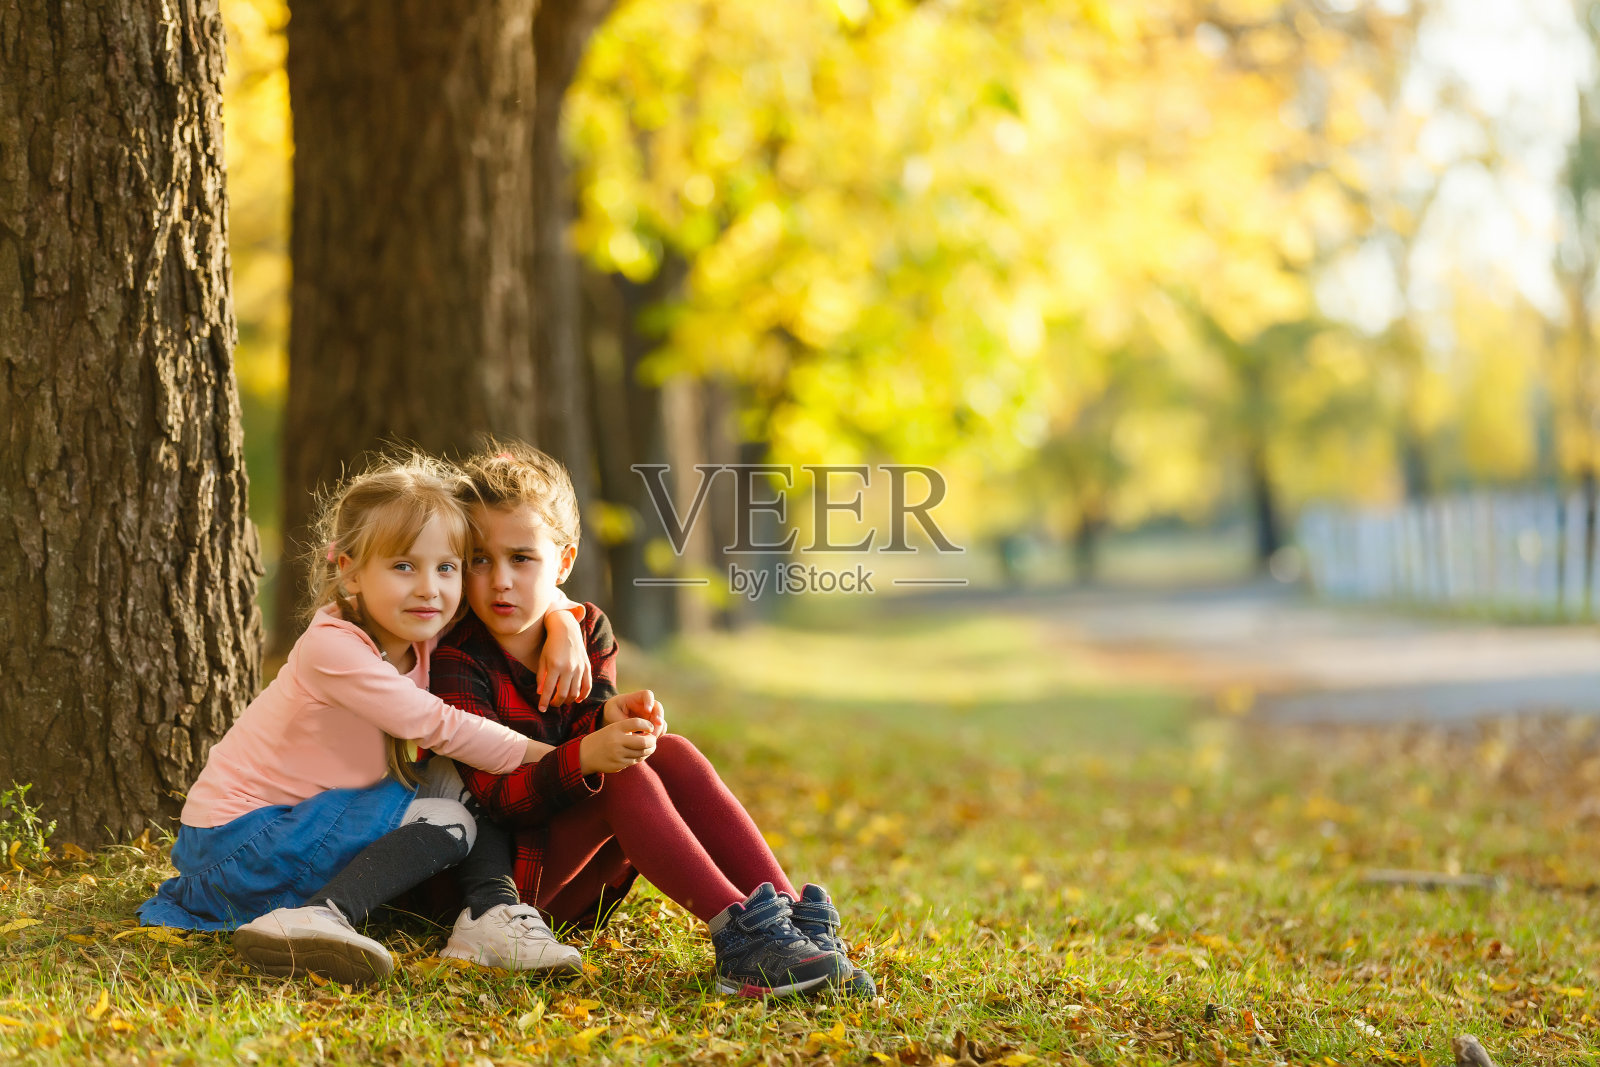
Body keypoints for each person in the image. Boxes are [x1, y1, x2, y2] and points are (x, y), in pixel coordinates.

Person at [430, 443, 877, 998]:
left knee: (673, 750)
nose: (499, 580)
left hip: (578, 874)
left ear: (564, 562)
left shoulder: (587, 629)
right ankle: (740, 942)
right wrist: (589, 754)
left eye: (521, 558)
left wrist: (610, 714)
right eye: (479, 559)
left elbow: (585, 719)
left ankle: (787, 923)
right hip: (504, 893)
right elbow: (494, 798)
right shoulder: (457, 657)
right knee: (625, 772)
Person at [138, 455, 593, 983]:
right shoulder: (333, 648)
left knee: (456, 779)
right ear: (349, 569)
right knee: (451, 815)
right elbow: (438, 725)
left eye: (447, 567)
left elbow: (518, 591)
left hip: (300, 825)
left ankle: (487, 916)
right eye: (403, 566)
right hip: (236, 844)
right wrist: (559, 759)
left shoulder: (421, 630)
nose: (429, 588)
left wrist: (564, 620)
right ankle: (319, 916)